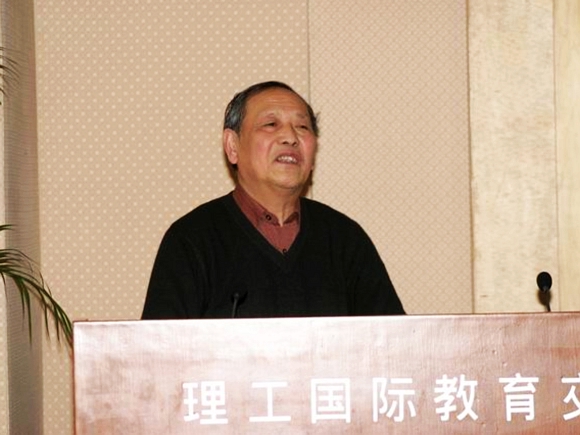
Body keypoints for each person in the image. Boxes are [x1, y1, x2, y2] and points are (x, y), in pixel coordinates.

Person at [141, 81, 405, 319]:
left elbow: (395, 344)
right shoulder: (191, 239)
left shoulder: (345, 239)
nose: (290, 137)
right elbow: (160, 351)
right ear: (232, 146)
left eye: (302, 127)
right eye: (270, 124)